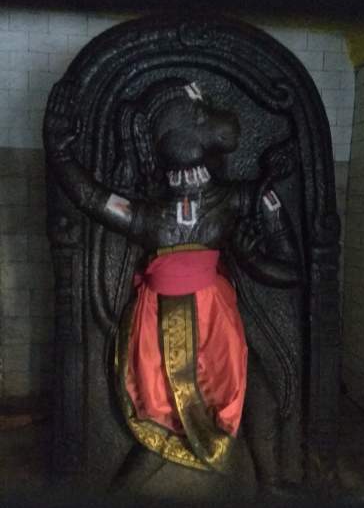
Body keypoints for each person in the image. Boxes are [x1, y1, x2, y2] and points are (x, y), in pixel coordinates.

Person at [45, 78, 300, 477]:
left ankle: (268, 483)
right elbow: (92, 199)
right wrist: (59, 153)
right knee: (170, 412)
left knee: (255, 391)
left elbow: (291, 270)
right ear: (167, 138)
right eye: (198, 116)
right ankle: (120, 501)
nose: (213, 120)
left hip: (217, 322)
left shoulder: (236, 199)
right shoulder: (149, 214)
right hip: (164, 324)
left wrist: (252, 259)